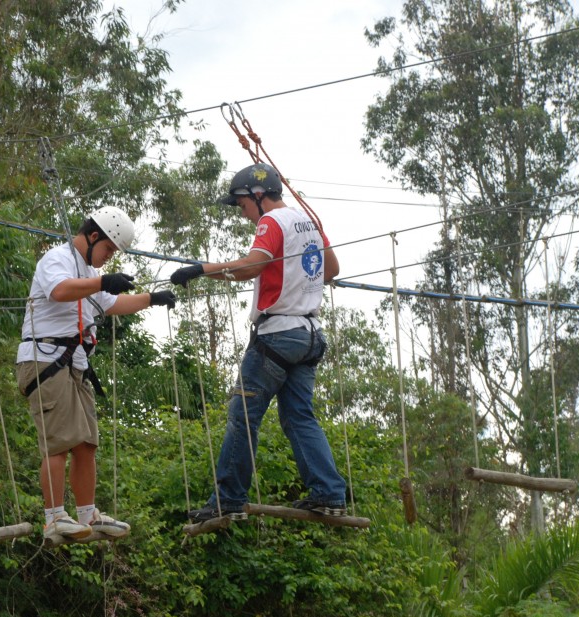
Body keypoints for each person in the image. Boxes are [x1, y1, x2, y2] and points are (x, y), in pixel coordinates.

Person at [170, 164, 347, 523]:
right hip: (309, 335)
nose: (244, 214)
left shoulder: (272, 222)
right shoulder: (308, 220)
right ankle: (329, 493)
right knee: (299, 417)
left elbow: (253, 265)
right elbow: (331, 269)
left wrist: (201, 269)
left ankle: (228, 499)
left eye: (242, 205)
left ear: (258, 195)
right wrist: (297, 277)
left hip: (278, 336)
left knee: (243, 415)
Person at [17, 206, 177, 541]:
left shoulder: (87, 270)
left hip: (74, 365)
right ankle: (54, 517)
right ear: (93, 237)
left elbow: (113, 303)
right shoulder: (57, 260)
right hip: (45, 360)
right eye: (108, 249)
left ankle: (89, 514)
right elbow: (60, 290)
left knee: (86, 443)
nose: (108, 258)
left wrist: (152, 299)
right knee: (58, 442)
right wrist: (102, 280)